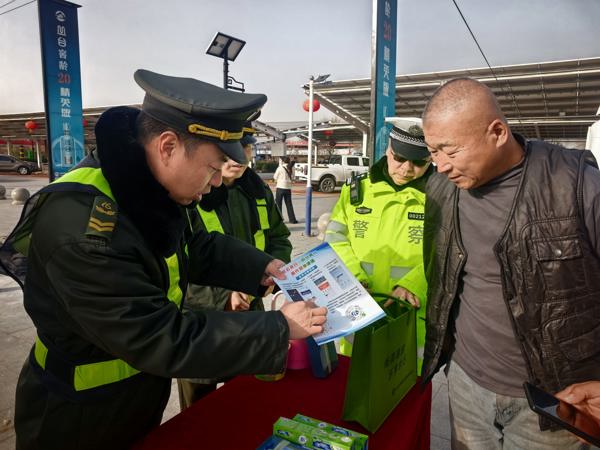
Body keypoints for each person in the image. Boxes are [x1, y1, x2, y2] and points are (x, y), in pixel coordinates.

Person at [0, 69, 327, 450]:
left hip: (136, 395)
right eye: (213, 167)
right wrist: (278, 328)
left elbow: (197, 246)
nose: (218, 182)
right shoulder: (85, 228)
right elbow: (159, 336)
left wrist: (264, 267)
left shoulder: (148, 188)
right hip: (78, 416)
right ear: (168, 146)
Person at [421, 77, 600, 449]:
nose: (440, 166)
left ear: (498, 132)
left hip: (556, 400)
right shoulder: (441, 190)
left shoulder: (577, 186)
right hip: (467, 385)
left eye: (450, 150)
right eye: (432, 151)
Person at [177, 127, 292, 409]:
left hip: (251, 315)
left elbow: (279, 239)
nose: (238, 157)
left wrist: (272, 277)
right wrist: (223, 297)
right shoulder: (189, 195)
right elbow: (176, 268)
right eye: (228, 150)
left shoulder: (257, 191)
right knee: (198, 414)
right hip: (202, 323)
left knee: (244, 405)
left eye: (246, 147)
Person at [324, 118, 432, 374]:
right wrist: (353, 278)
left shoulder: (442, 196)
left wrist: (415, 284)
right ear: (388, 149)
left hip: (411, 310)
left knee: (404, 383)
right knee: (353, 378)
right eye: (400, 158)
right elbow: (335, 237)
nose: (407, 169)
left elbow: (451, 250)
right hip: (359, 304)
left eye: (419, 162)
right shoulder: (356, 190)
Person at [273, 156, 298, 223]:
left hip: (280, 188)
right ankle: (292, 220)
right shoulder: (291, 168)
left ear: (283, 161)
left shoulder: (280, 168)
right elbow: (293, 177)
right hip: (288, 188)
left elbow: (275, 177)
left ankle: (279, 220)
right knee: (289, 204)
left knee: (278, 204)